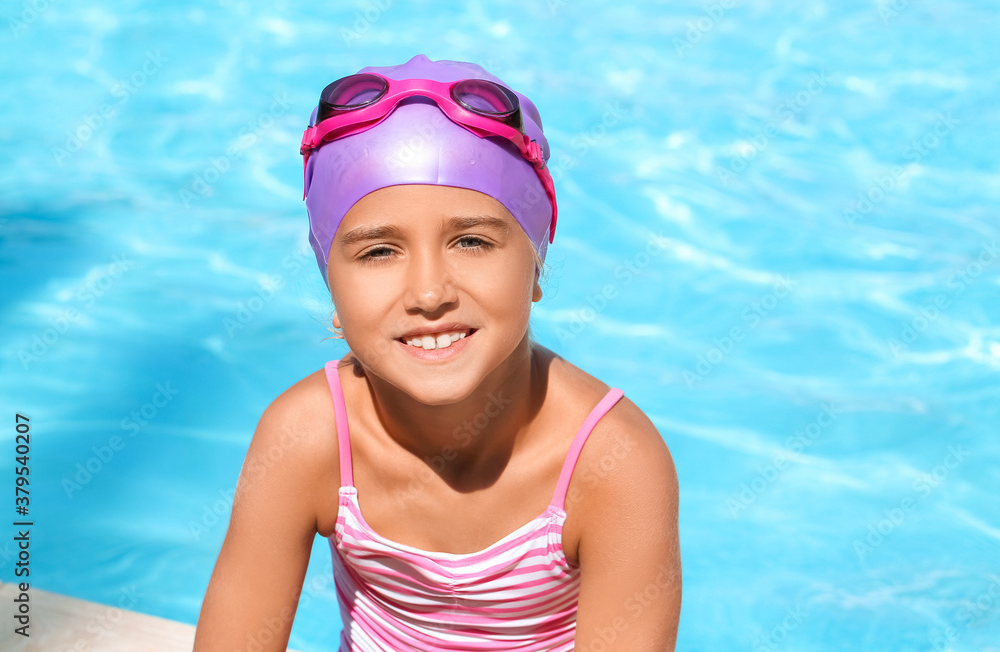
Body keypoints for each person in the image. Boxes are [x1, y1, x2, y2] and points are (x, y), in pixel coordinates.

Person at [194, 54, 681, 652]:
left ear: (536, 263)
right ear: (331, 281)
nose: (429, 294)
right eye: (378, 252)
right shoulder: (310, 436)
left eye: (471, 241)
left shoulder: (610, 463)